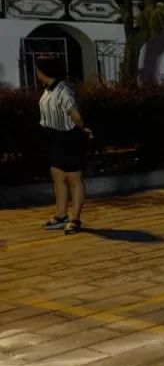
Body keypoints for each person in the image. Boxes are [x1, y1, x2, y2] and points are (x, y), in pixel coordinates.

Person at [36, 57, 92, 235]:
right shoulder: (48, 90)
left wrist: (84, 128)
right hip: (54, 137)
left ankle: (75, 219)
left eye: (38, 69)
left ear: (45, 70)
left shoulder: (63, 89)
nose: (36, 72)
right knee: (58, 177)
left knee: (74, 180)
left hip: (69, 138)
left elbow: (74, 113)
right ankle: (61, 215)